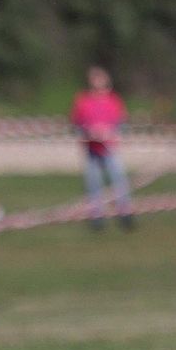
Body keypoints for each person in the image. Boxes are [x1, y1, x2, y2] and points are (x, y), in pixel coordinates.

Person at [70, 65, 135, 231]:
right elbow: (76, 123)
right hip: (91, 148)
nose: (97, 83)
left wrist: (109, 132)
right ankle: (96, 216)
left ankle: (125, 213)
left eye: (100, 79)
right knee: (94, 182)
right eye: (94, 79)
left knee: (119, 180)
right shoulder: (83, 100)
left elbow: (121, 123)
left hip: (110, 147)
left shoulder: (113, 100)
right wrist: (89, 131)